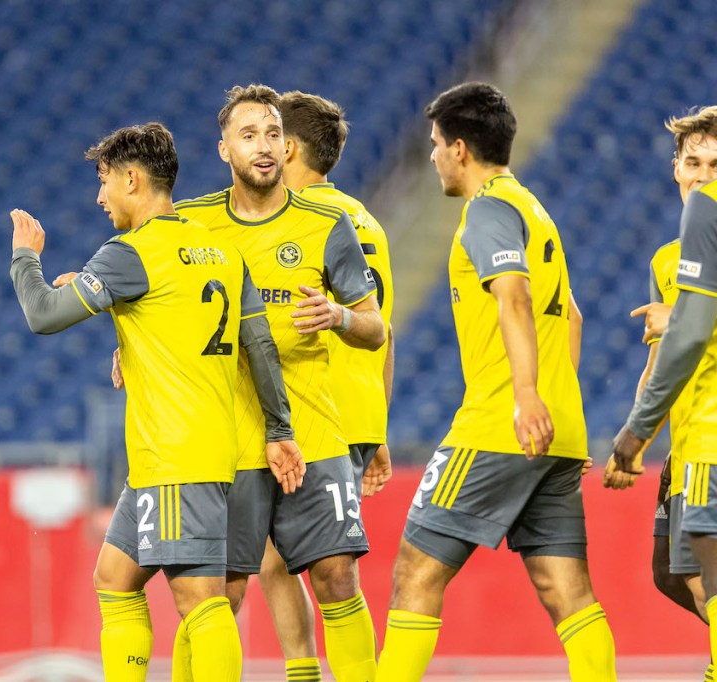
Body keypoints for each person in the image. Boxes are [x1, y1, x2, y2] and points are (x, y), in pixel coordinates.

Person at [9, 122, 305, 681]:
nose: (100, 197)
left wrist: (26, 259)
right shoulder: (220, 249)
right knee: (115, 578)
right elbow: (258, 344)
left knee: (200, 598)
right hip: (210, 450)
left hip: (174, 455)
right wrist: (278, 427)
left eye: (103, 182)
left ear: (132, 178)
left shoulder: (131, 252)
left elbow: (43, 315)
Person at [378, 83, 616, 682]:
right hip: (557, 434)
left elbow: (514, 294)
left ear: (460, 149)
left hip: (499, 422)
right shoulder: (535, 210)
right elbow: (574, 319)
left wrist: (526, 395)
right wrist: (554, 401)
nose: (431, 157)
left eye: (435, 145)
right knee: (567, 590)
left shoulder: (485, 210)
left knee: (415, 570)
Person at [175, 84, 386, 681]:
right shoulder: (189, 224)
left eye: (273, 134)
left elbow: (374, 329)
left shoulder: (327, 224)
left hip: (314, 428)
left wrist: (338, 316)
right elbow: (151, 298)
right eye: (249, 136)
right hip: (229, 435)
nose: (264, 147)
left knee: (337, 577)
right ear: (224, 150)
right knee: (222, 590)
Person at [253, 90, 395, 682]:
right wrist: (379, 427)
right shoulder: (369, 222)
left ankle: (313, 672)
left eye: (269, 138)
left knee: (322, 571)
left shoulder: (300, 224)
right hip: (355, 412)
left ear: (287, 147)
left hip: (315, 413)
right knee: (276, 562)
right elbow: (385, 329)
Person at [605, 109, 717, 645]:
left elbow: (690, 329)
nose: (702, 175)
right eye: (693, 162)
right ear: (675, 167)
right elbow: (660, 359)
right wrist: (641, 433)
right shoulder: (667, 259)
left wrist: (685, 317)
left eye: (715, 164)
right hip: (691, 436)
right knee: (674, 574)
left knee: (706, 574)